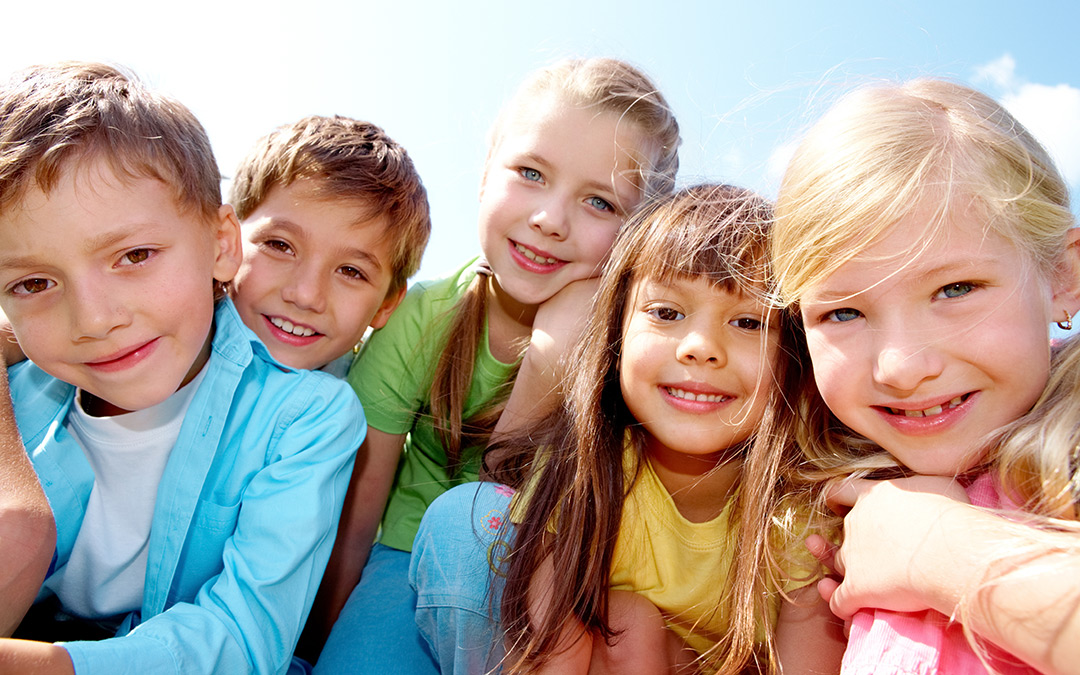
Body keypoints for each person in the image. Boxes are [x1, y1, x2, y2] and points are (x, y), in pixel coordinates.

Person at [312, 57, 682, 672]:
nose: (549, 219)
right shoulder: (425, 316)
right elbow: (359, 514)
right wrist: (325, 639)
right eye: (531, 173)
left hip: (544, 574)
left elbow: (515, 507)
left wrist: (551, 361)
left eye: (599, 202)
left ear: (637, 233)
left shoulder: (639, 353)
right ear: (485, 174)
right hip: (400, 560)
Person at [0, 61, 364, 674]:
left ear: (223, 245)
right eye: (35, 282)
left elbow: (244, 642)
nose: (93, 319)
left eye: (134, 255)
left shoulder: (304, 417)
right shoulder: (19, 392)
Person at [411, 184, 846, 674]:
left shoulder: (801, 514)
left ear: (794, 355)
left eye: (747, 322)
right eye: (666, 313)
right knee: (621, 617)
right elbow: (549, 656)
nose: (700, 347)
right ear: (616, 332)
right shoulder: (581, 474)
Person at [770, 78, 1080, 674]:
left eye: (956, 289)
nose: (903, 367)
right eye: (844, 311)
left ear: (1062, 277)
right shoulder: (835, 521)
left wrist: (938, 553)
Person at [228, 114, 431, 377]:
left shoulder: (360, 413)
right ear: (225, 241)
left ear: (385, 305)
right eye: (280, 245)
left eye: (350, 271)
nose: (306, 296)